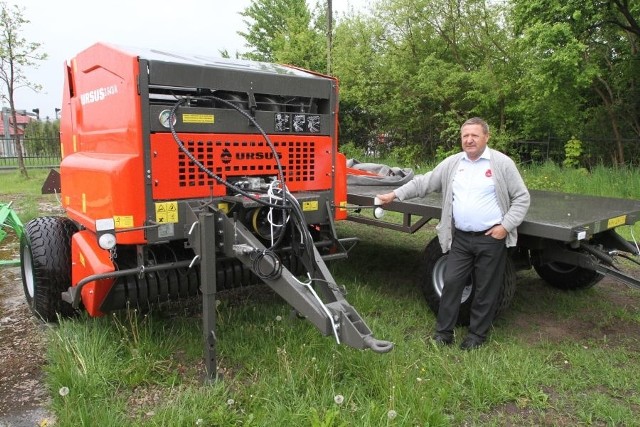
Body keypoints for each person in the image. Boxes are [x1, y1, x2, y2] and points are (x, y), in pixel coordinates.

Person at [376, 117, 530, 350]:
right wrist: (395, 194)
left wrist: (505, 226)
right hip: (460, 237)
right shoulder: (453, 164)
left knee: (486, 289)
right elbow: (423, 183)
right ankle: (443, 333)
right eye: (465, 136)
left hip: (491, 238)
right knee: (451, 283)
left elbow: (522, 197)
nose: (469, 140)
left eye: (475, 135)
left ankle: (476, 336)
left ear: (486, 137)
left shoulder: (501, 164)